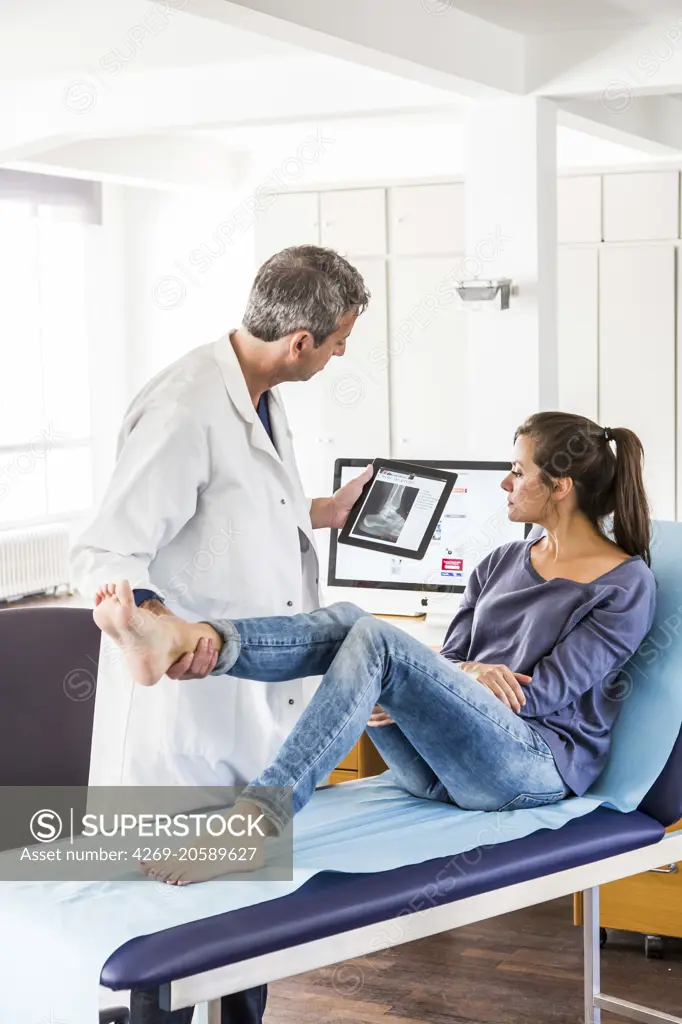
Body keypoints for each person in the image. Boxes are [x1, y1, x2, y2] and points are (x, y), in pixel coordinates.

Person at [93, 412, 657, 886]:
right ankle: (194, 640)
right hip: (442, 768)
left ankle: (254, 825)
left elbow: (543, 696)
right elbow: (454, 658)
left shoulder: (624, 584)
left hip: (528, 768)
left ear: (560, 487)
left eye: (517, 472)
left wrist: (444, 680)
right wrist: (440, 683)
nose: (505, 484)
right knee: (353, 623)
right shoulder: (499, 563)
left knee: (372, 636)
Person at [71, 245, 372, 1024]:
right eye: (340, 338)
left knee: (247, 944)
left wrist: (320, 511)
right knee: (164, 947)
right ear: (300, 340)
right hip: (186, 725)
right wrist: (145, 612)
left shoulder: (261, 394)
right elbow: (106, 547)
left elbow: (236, 512)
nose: (344, 351)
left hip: (250, 712)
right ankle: (145, 632)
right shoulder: (185, 406)